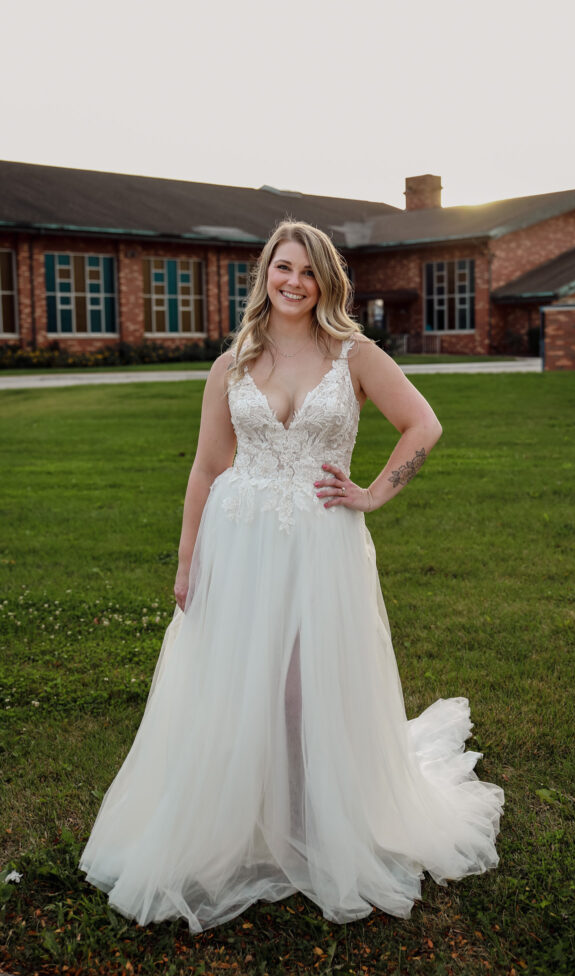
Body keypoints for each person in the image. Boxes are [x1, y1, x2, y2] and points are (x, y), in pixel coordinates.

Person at [79, 220, 504, 933]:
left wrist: (371, 492)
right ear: (265, 273)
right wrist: (187, 561)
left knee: (309, 682)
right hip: (237, 538)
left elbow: (422, 426)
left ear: (326, 281)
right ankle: (241, 816)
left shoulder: (354, 354)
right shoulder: (233, 362)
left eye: (308, 272)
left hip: (319, 541)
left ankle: (317, 826)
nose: (294, 283)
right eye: (284, 268)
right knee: (241, 680)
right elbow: (207, 467)